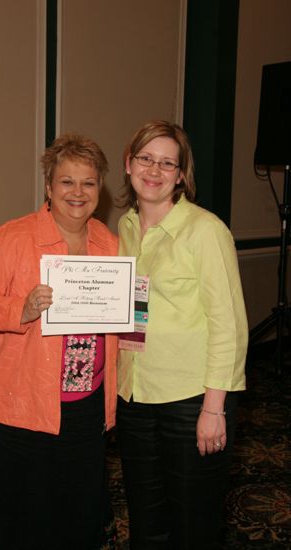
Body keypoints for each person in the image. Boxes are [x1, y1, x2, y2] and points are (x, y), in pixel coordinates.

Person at [0, 134, 118, 550]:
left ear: (100, 189)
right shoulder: (9, 240)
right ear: (49, 188)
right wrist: (18, 309)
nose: (78, 192)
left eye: (88, 183)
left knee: (71, 516)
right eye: (66, 182)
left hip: (84, 409)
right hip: (12, 413)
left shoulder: (110, 245)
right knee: (14, 521)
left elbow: (122, 324)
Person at [116, 120, 248, 550]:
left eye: (167, 163)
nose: (154, 170)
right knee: (146, 522)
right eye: (146, 159)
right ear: (128, 164)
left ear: (180, 175)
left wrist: (215, 409)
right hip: (136, 395)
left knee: (194, 526)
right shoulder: (127, 227)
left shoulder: (205, 230)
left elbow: (228, 324)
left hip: (191, 400)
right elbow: (133, 311)